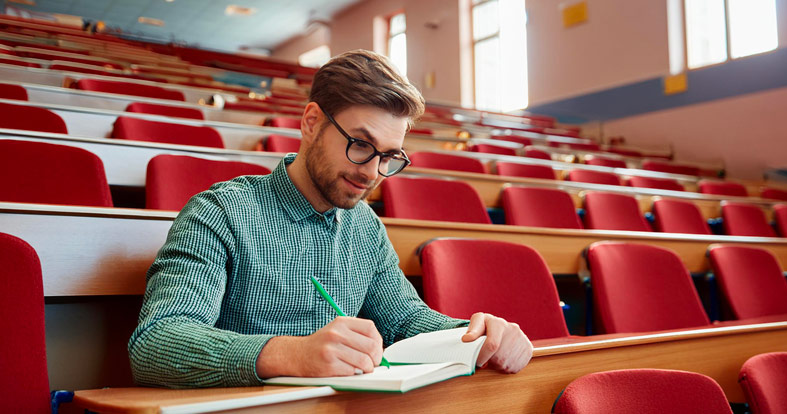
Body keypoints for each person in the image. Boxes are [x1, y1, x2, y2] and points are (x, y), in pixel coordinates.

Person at [128, 49, 533, 388]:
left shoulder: (365, 226)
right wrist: (292, 353)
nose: (372, 172)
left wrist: (478, 335)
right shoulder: (221, 213)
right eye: (360, 144)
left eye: (389, 156)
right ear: (311, 122)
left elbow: (407, 319)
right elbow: (156, 343)